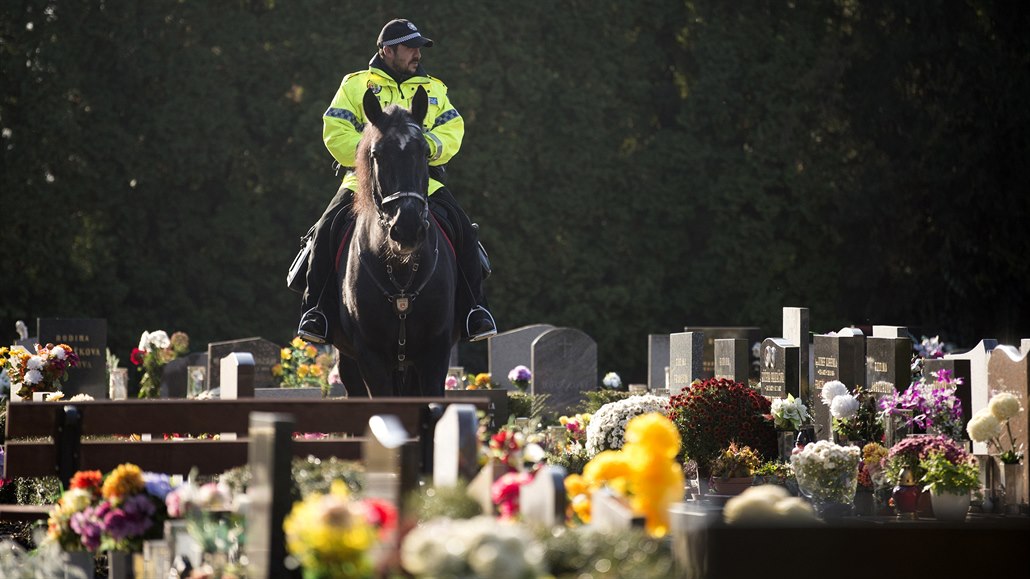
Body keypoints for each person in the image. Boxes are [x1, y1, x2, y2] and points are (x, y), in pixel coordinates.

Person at [297, 18, 496, 345]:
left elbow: (452, 129)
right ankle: (315, 311)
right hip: (364, 181)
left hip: (422, 184)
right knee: (325, 229)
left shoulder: (434, 89)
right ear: (388, 50)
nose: (417, 53)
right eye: (409, 47)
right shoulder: (355, 85)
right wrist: (370, 157)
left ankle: (476, 310)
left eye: (419, 47)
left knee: (462, 229)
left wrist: (427, 148)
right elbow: (335, 130)